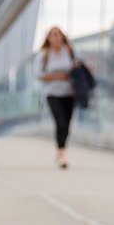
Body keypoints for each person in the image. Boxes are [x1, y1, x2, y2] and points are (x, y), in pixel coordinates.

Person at [35, 25, 77, 168]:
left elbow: (76, 69)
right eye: (53, 34)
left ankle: (61, 149)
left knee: (67, 124)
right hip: (52, 93)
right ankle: (62, 153)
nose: (56, 37)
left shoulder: (68, 51)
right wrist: (58, 76)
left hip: (69, 93)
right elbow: (38, 75)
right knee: (60, 122)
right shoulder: (44, 54)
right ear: (48, 38)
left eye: (58, 34)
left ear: (62, 36)